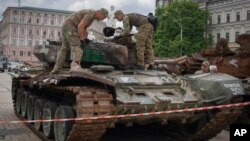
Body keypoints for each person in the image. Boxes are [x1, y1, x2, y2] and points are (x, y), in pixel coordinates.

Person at [51, 8, 109, 74]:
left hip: (67, 26)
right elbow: (80, 26)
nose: (103, 19)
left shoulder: (92, 16)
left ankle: (56, 69)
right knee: (78, 47)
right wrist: (82, 40)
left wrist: (85, 37)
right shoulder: (91, 14)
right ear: (100, 13)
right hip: (71, 27)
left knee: (64, 48)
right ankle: (75, 67)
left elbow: (84, 28)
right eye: (104, 17)